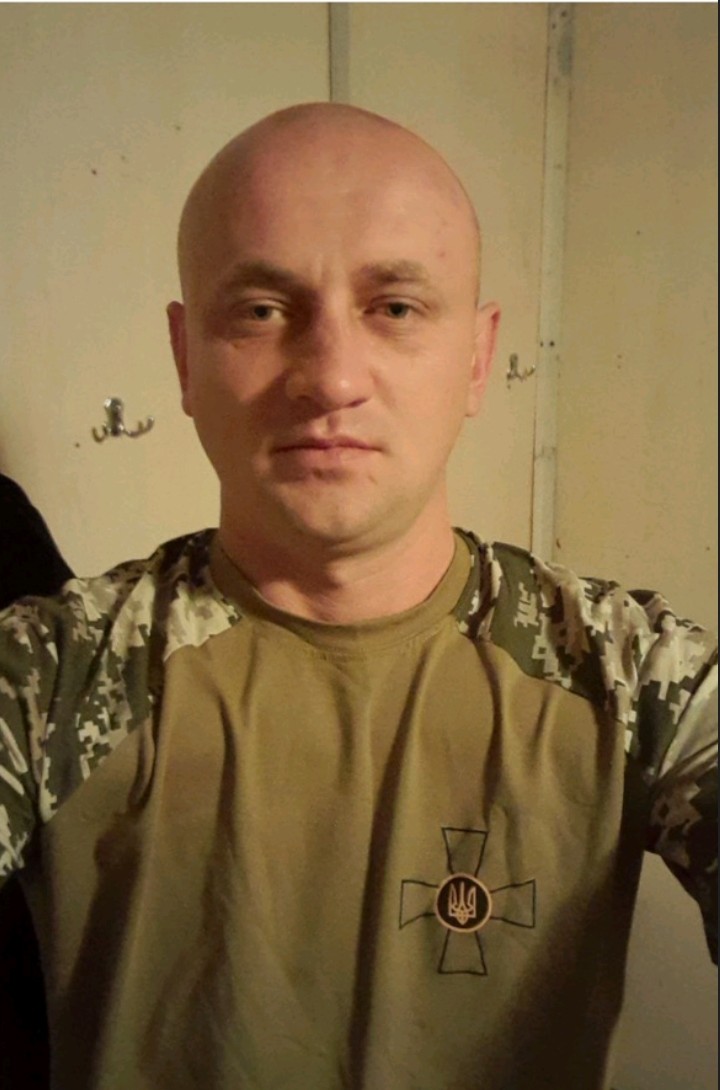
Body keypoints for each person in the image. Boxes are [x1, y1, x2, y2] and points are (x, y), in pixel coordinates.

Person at [0, 104, 716, 1090]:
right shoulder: (45, 674)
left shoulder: (636, 676)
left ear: (477, 357)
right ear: (184, 358)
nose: (331, 377)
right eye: (262, 310)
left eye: (396, 308)